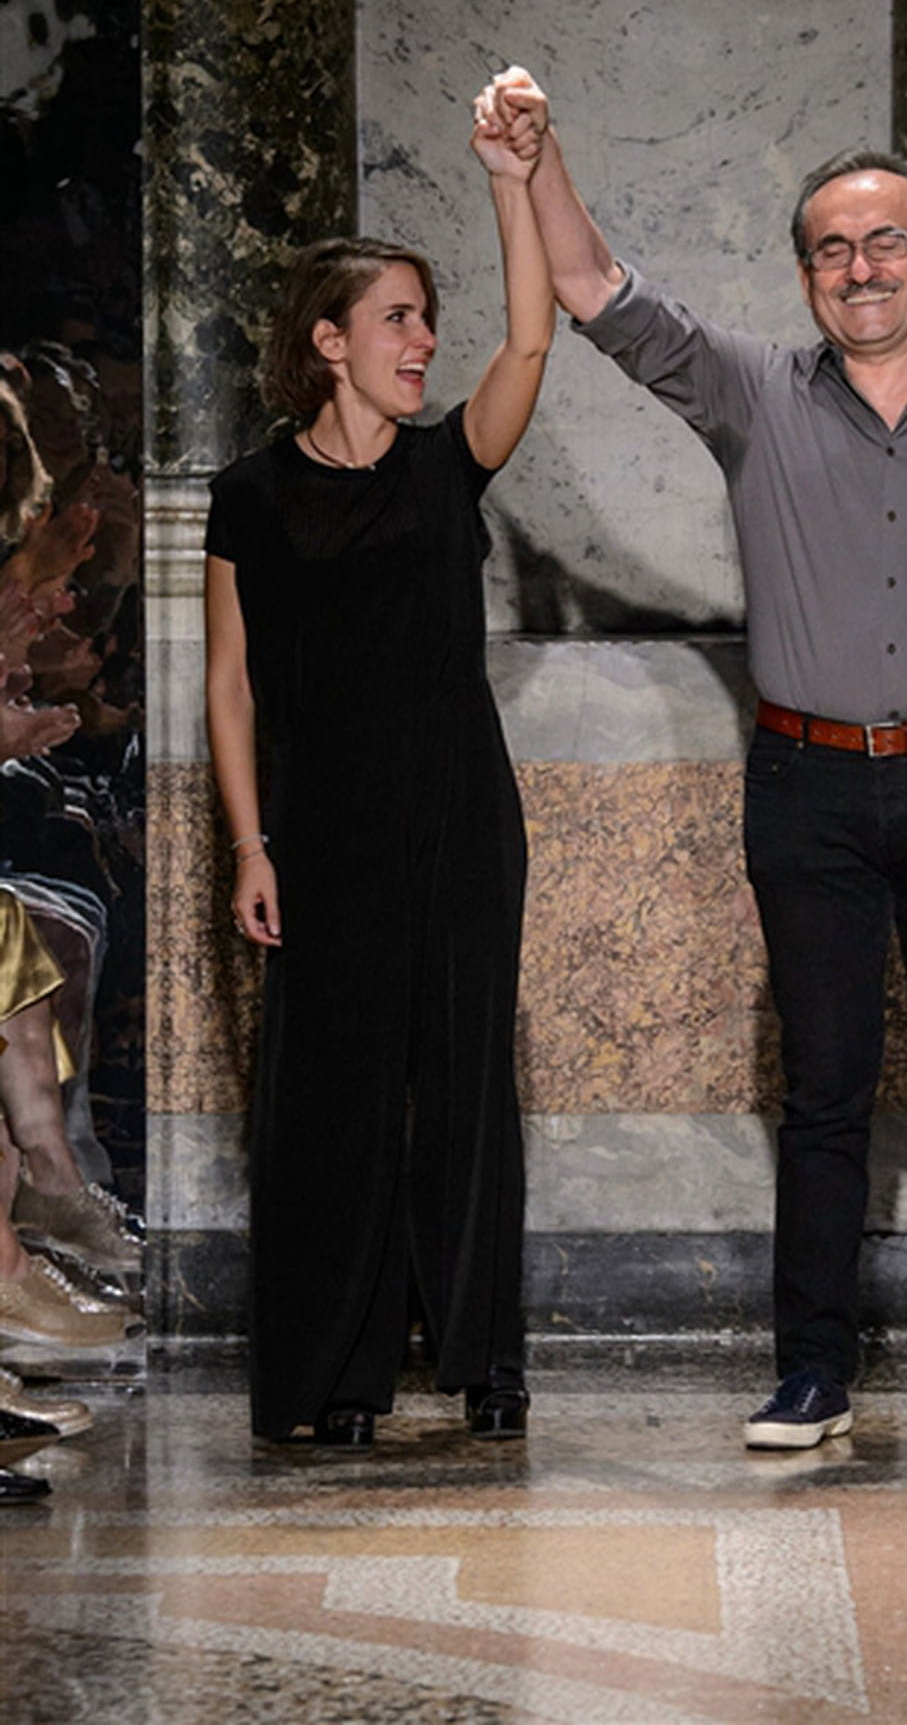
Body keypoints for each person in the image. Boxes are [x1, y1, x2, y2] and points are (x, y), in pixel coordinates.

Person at [476, 68, 907, 1452]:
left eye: (887, 241)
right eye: (832, 248)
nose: (861, 267)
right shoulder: (754, 392)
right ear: (806, 275)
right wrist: (536, 160)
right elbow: (591, 289)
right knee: (823, 1092)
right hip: (808, 785)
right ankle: (812, 1375)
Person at [204, 86, 554, 1446]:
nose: (423, 341)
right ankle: (336, 1374)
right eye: (398, 319)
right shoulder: (249, 494)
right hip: (322, 831)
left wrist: (509, 181)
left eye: (426, 318)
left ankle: (484, 1362)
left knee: (466, 1085)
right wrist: (251, 845)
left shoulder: (445, 465)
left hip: (460, 816)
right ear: (329, 342)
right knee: (330, 1099)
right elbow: (232, 684)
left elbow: (532, 335)